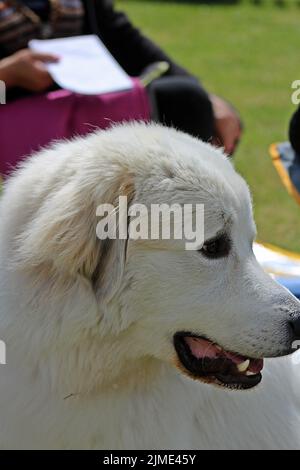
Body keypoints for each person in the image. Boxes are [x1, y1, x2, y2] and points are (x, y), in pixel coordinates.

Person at [0, 0, 242, 155]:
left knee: (186, 99)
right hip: (12, 117)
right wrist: (8, 75)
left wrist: (207, 99)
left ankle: (188, 228)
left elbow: (127, 42)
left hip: (88, 114)